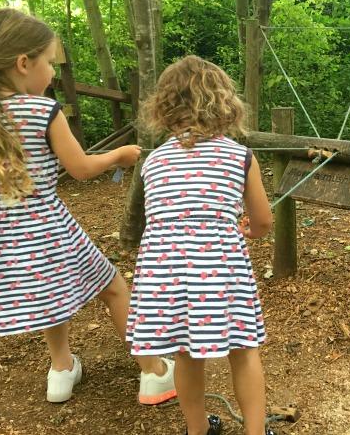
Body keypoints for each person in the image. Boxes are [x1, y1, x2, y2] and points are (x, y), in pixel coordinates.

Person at [0, 8, 176, 405]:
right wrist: (119, 156)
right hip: (46, 228)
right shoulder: (44, 110)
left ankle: (61, 369)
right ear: (24, 64)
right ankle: (154, 372)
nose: (52, 73)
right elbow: (80, 169)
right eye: (49, 62)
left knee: (50, 295)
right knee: (112, 287)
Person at [126, 55, 275, 435]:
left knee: (186, 354)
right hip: (219, 270)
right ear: (225, 103)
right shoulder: (239, 157)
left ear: (164, 108)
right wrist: (247, 231)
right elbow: (262, 221)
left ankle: (197, 429)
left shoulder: (154, 162)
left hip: (164, 272)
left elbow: (166, 214)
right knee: (244, 352)